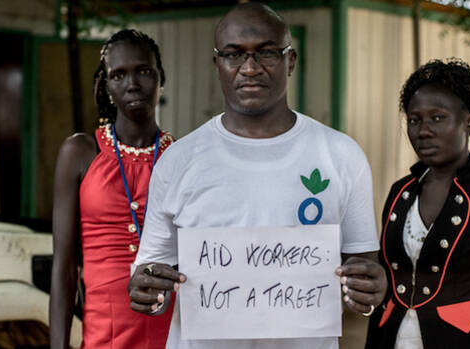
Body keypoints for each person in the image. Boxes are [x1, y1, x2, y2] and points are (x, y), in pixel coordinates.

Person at [128, 3, 387, 348]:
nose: (249, 68)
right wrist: (145, 290)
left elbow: (362, 267)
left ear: (290, 61)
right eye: (234, 55)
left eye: (266, 53)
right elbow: (148, 271)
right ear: (217, 64)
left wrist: (370, 286)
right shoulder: (178, 162)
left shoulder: (341, 155)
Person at [50, 29, 176, 349]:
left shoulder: (181, 157)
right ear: (106, 87)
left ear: (161, 78)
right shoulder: (79, 153)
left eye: (143, 71)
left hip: (170, 328)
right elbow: (65, 266)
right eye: (118, 75)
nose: (132, 84)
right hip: (104, 334)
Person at [365, 59, 470, 348]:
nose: (423, 130)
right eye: (414, 120)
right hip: (394, 338)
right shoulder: (400, 192)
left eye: (437, 118)